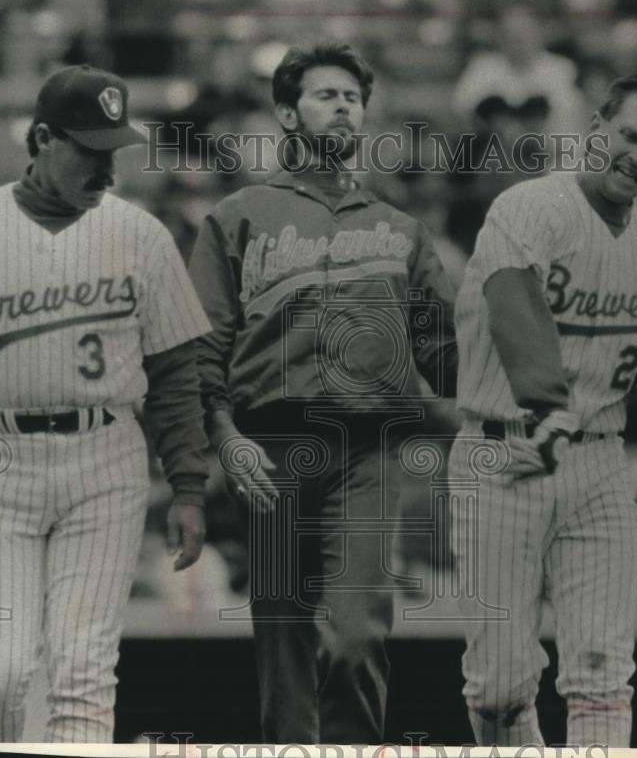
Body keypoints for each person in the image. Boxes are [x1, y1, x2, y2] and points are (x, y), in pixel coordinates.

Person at [0, 64, 212, 742]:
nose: (106, 168)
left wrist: (187, 485)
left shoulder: (143, 236)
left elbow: (176, 374)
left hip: (106, 456)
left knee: (81, 675)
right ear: (41, 139)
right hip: (0, 458)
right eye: (89, 150)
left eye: (113, 150)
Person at [448, 74, 637, 747]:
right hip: (505, 452)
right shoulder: (530, 207)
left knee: (603, 674)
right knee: (499, 687)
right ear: (596, 128)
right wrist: (548, 406)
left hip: (599, 460)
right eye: (630, 135)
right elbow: (513, 306)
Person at [187, 40, 458, 744]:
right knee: (286, 651)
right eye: (325, 95)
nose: (343, 107)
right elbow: (202, 346)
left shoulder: (400, 229)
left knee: (354, 639)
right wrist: (224, 435)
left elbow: (446, 354)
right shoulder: (239, 215)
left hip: (367, 449)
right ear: (287, 114)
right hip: (269, 447)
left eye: (353, 97)